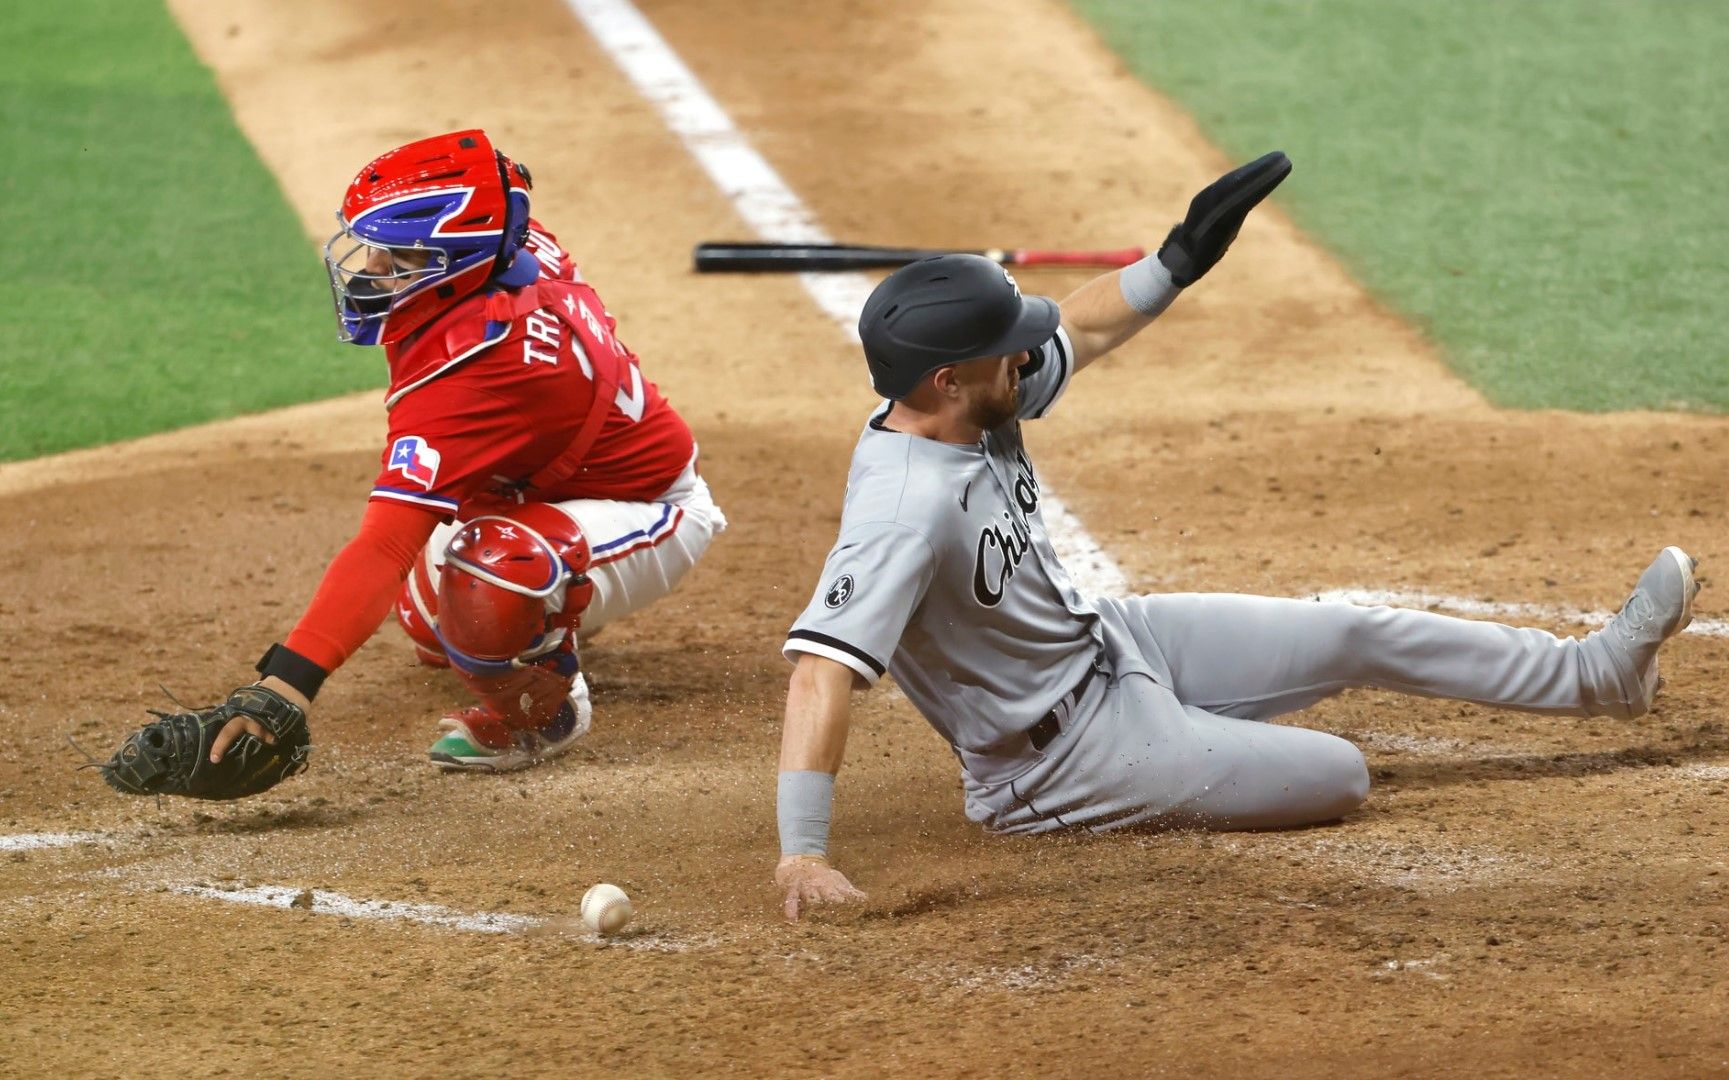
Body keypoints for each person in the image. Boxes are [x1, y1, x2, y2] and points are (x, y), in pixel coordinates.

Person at [771, 152, 1699, 919]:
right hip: (1057, 761)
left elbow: (1083, 333)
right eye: (1005, 341)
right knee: (1338, 776)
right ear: (942, 379)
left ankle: (1599, 674)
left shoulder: (973, 398)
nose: (1026, 349)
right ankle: (1182, 748)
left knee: (1350, 631)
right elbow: (821, 669)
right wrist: (802, 855)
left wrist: (1173, 260)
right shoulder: (901, 508)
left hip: (1108, 646)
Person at [105, 129, 725, 797]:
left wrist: (283, 688)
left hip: (648, 509)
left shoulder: (478, 368)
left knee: (491, 583)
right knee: (436, 630)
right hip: (542, 493)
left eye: (398, 256)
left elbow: (385, 544)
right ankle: (552, 605)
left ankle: (546, 712)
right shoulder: (503, 253)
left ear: (455, 263)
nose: (370, 268)